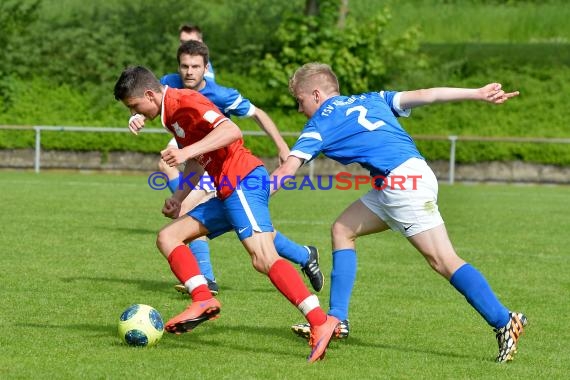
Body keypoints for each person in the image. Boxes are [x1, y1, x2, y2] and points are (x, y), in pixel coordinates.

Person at [270, 62, 527, 363]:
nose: (300, 109)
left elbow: (288, 167)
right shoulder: (371, 98)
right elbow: (426, 94)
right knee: (343, 230)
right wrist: (476, 93)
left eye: (300, 101)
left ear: (315, 94)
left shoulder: (320, 123)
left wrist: (252, 195)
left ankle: (504, 321)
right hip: (409, 175)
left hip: (402, 186)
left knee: (443, 260)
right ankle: (336, 319)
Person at [113, 65, 338, 362]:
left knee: (263, 257)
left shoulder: (185, 102)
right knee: (168, 237)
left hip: (242, 179)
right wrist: (179, 197)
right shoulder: (171, 115)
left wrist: (182, 153)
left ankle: (320, 321)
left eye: (134, 105)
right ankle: (203, 299)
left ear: (150, 95)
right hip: (226, 188)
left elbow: (231, 130)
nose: (135, 113)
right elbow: (197, 162)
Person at [155, 40, 313, 295]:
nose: (189, 72)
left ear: (206, 68)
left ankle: (207, 282)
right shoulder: (169, 85)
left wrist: (282, 146)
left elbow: (257, 114)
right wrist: (137, 114)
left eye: (195, 66)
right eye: (184, 66)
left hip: (230, 166)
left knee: (258, 248)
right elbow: (144, 95)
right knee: (195, 220)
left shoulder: (222, 95)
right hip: (207, 166)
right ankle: (205, 288)